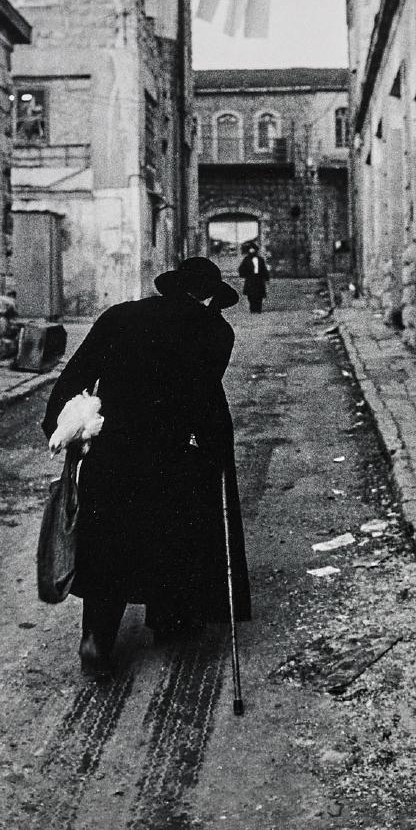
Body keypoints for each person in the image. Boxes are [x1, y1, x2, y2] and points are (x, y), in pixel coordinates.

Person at [41, 257, 251, 676]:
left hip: (113, 449)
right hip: (173, 456)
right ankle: (170, 620)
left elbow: (76, 376)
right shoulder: (215, 331)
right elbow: (205, 400)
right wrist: (214, 451)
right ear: (208, 296)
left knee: (108, 540)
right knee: (171, 533)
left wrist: (59, 427)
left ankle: (97, 638)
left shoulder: (119, 316)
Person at [237, 243, 270, 314]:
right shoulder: (246, 259)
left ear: (256, 250)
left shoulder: (260, 259)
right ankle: (252, 309)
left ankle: (258, 309)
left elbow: (264, 269)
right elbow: (241, 269)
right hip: (250, 279)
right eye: (250, 249)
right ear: (249, 250)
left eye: (253, 249)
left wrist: (266, 278)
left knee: (259, 295)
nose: (252, 251)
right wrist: (245, 275)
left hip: (259, 279)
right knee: (251, 295)